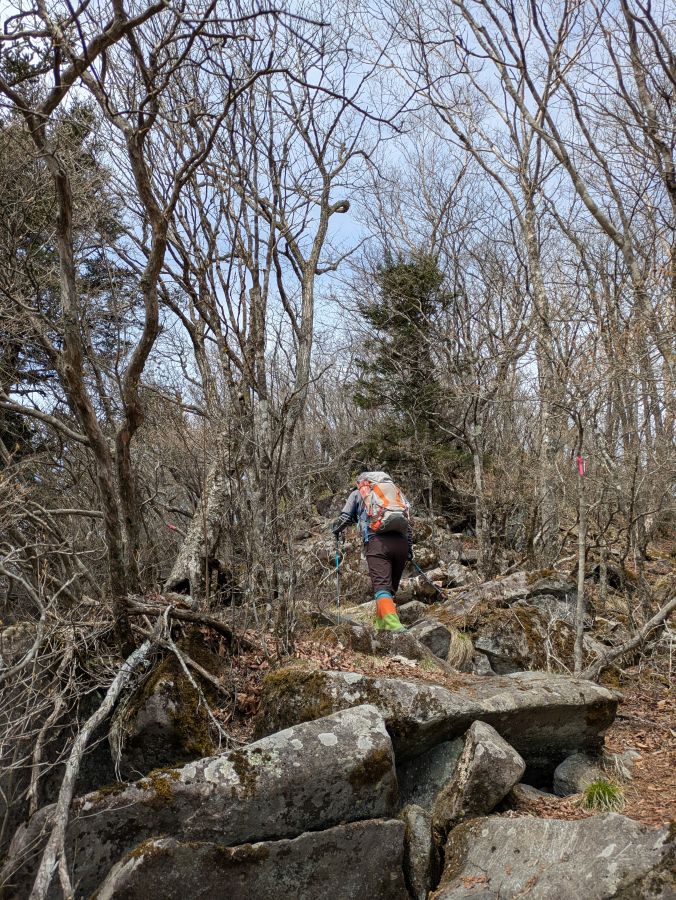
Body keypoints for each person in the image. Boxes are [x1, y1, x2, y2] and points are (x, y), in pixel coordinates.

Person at [332, 471, 412, 632]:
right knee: (390, 588)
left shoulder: (358, 493)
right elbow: (408, 522)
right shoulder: (396, 493)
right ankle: (381, 625)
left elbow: (345, 517)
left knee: (382, 586)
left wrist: (335, 529)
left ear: (363, 482)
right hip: (401, 544)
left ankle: (394, 626)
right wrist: (409, 550)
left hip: (377, 542)